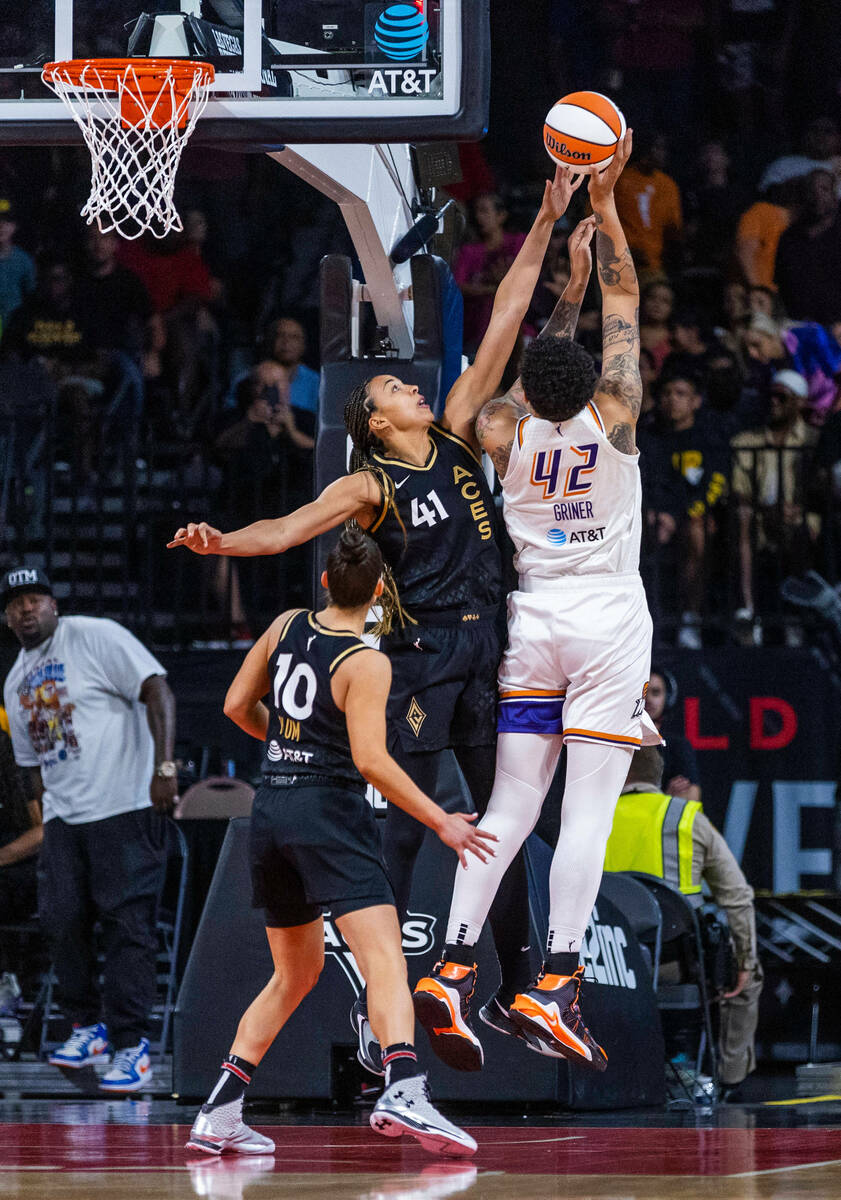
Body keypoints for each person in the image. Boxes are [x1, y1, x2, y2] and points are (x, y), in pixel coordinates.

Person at [169, 169, 592, 1070]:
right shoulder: (369, 482)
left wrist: (548, 224)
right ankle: (374, 1000)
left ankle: (517, 990)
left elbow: (507, 321)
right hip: (424, 649)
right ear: (370, 420)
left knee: (508, 821)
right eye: (395, 387)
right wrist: (221, 541)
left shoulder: (453, 432)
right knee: (401, 821)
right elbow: (285, 528)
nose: (410, 385)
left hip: (494, 644)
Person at [412, 130, 662, 1073]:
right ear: (593, 382)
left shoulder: (501, 429)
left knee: (510, 809)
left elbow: (531, 361)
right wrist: (606, 204)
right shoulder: (619, 411)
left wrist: (559, 268)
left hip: (532, 622)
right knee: (586, 817)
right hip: (604, 622)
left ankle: (449, 965)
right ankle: (553, 983)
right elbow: (628, 299)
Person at [186, 530, 493, 1158]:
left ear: (326, 581)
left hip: (271, 807)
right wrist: (443, 821)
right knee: (384, 955)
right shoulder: (365, 661)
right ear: (380, 592)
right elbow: (372, 761)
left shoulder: (284, 625)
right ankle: (405, 1085)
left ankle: (219, 1108)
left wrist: (289, 742)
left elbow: (236, 704)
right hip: (327, 811)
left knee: (296, 973)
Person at [2, 566, 178, 1092]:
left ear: (54, 605)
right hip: (65, 818)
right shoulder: (15, 680)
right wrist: (46, 812)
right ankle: (89, 1027)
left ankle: (133, 1048)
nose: (26, 609)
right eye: (15, 604)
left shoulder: (96, 636)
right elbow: (30, 764)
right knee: (61, 922)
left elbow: (158, 690)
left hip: (122, 805)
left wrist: (164, 768)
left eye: (35, 598)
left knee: (127, 926)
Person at [603, 746, 763, 1097]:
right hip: (674, 964)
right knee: (747, 979)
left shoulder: (589, 816)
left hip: (604, 963)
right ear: (655, 776)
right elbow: (737, 897)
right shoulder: (686, 818)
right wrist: (744, 963)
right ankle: (728, 1081)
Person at [730, 369, 820, 644]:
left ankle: (796, 616)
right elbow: (739, 492)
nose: (774, 402)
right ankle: (748, 612)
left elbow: (821, 493)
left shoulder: (814, 441)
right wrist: (768, 509)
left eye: (782, 397)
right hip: (758, 516)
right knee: (742, 516)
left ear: (800, 402)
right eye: (772, 396)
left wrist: (798, 510)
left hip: (801, 516)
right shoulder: (746, 442)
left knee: (805, 527)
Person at [644, 666, 701, 806]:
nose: (649, 699)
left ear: (668, 698)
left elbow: (690, 797)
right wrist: (665, 798)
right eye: (643, 693)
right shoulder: (619, 744)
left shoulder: (678, 746)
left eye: (656, 693)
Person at [0, 198, 35, 332]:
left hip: (15, 328)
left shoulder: (24, 260)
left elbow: (31, 295)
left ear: (15, 226)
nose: (1, 225)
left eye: (6, 221)